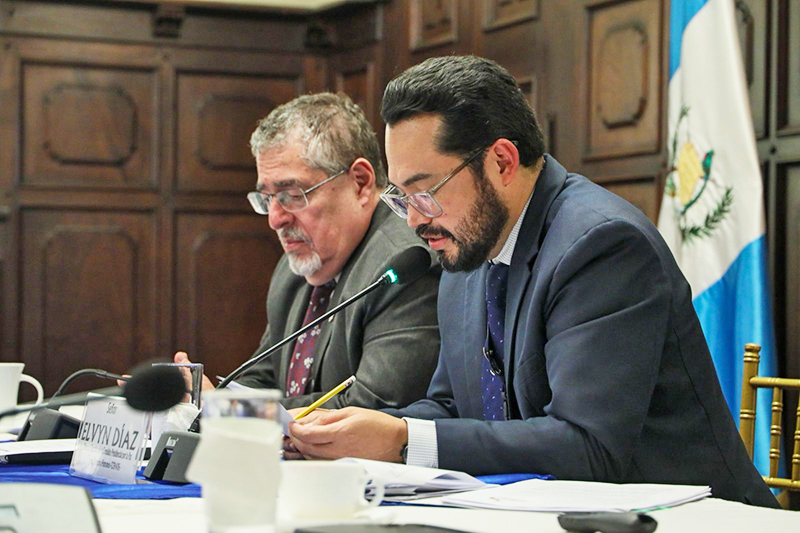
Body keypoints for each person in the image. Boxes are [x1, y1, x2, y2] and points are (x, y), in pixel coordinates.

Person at [285, 57, 778, 507]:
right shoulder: (467, 245)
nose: (413, 221)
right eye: (402, 197)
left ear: (501, 161)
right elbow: (450, 403)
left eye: (425, 192)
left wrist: (402, 440)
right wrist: (356, 431)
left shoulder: (601, 246)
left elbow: (590, 446)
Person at [177, 93, 441, 410]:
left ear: (360, 182)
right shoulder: (297, 269)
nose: (275, 219)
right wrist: (205, 402)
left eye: (292, 194)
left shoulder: (403, 266)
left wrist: (234, 411)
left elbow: (375, 406)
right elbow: (263, 379)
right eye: (267, 199)